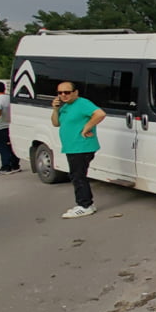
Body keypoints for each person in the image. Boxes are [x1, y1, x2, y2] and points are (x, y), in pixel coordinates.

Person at [51, 81, 106, 219]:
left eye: (67, 92)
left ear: (75, 92)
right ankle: (86, 204)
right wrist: (55, 109)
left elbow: (100, 114)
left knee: (78, 176)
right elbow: (56, 123)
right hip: (71, 147)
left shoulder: (82, 103)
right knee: (77, 175)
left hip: (81, 146)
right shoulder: (65, 107)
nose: (63, 95)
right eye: (60, 92)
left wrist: (87, 127)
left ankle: (84, 205)